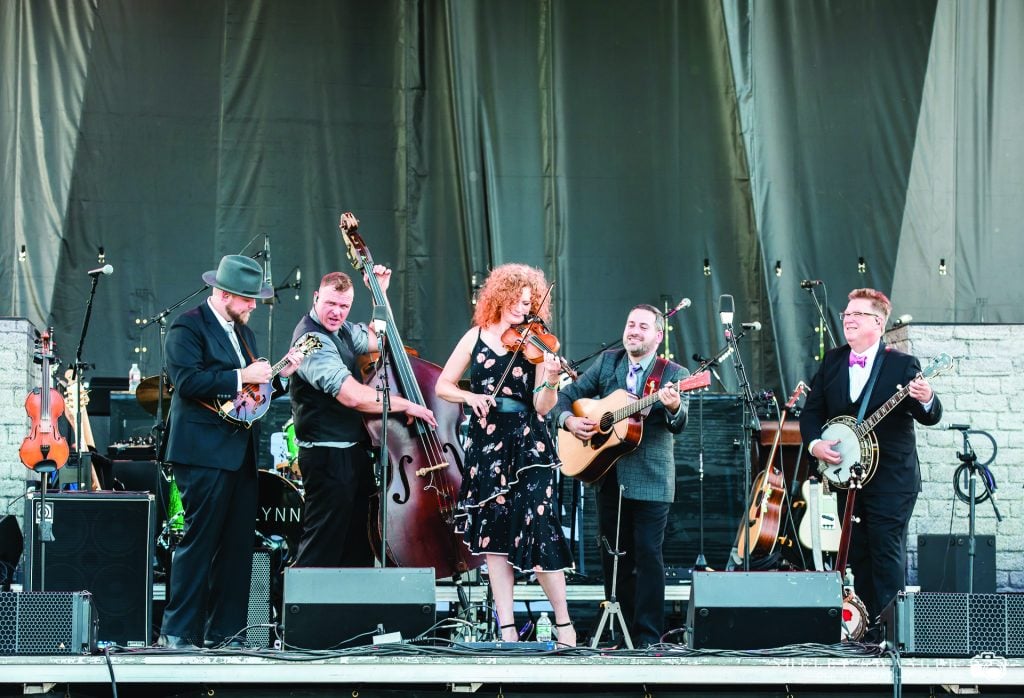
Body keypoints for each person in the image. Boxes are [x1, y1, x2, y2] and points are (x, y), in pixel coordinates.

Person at [158, 254, 305, 649]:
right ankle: (177, 631)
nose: (253, 305)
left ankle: (227, 632)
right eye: (247, 298)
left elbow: (250, 398)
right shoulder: (187, 327)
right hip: (201, 451)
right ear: (223, 294)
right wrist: (242, 374)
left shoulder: (244, 335)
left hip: (239, 451)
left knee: (238, 545)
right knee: (200, 540)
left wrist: (279, 378)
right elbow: (187, 381)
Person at [434, 263, 577, 646]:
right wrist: (471, 397)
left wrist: (549, 377)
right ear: (499, 297)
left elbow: (543, 406)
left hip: (529, 444)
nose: (522, 308)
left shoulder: (536, 344)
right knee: (495, 538)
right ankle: (508, 628)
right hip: (486, 445)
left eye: (528, 302)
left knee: (538, 527)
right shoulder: (475, 337)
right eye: (516, 301)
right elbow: (444, 384)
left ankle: (565, 625)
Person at [289, 231, 437, 569]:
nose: (337, 312)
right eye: (330, 304)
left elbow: (378, 339)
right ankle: (300, 618)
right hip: (327, 457)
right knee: (322, 547)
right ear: (315, 298)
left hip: (350, 456)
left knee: (356, 547)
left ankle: (348, 620)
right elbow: (352, 396)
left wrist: (379, 294)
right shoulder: (312, 339)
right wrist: (406, 404)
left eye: (343, 306)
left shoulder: (340, 331)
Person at [800, 287, 942, 627]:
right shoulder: (833, 361)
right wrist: (815, 444)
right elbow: (811, 412)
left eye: (856, 314)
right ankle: (866, 631)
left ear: (878, 322)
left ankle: (893, 634)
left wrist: (927, 398)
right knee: (858, 555)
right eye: (846, 314)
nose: (847, 319)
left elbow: (929, 415)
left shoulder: (903, 365)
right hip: (847, 477)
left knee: (886, 553)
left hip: (892, 479)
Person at [553, 304, 689, 648]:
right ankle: (619, 634)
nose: (634, 331)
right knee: (613, 557)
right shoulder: (609, 362)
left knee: (647, 555)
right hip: (607, 473)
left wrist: (672, 406)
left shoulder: (672, 372)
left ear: (658, 335)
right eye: (631, 324)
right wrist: (569, 421)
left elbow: (680, 422)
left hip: (652, 480)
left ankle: (647, 638)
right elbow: (567, 397)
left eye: (643, 326)